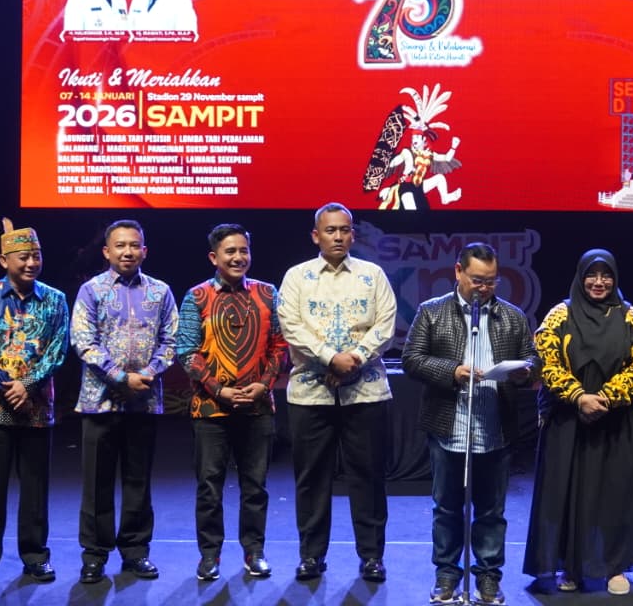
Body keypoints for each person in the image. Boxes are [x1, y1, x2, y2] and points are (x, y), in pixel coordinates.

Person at [402, 242, 538, 605]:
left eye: (491, 281)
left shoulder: (512, 316)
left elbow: (531, 358)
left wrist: (524, 372)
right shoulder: (432, 311)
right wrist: (452, 371)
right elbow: (412, 359)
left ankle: (488, 577)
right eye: (478, 280)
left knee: (492, 512)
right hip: (449, 427)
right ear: (458, 271)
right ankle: (447, 575)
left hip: (495, 428)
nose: (484, 288)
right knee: (446, 508)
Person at [522, 248, 633, 596]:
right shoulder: (560, 315)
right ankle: (570, 565)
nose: (599, 282)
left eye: (606, 275)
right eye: (592, 275)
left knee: (616, 493)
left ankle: (615, 566)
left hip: (619, 421)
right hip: (568, 419)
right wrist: (578, 396)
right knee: (569, 493)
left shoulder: (632, 317)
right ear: (580, 277)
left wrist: (607, 397)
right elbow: (545, 360)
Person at [277, 202, 397, 582]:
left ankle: (372, 557)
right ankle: (311, 556)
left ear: (353, 235)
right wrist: (331, 359)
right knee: (312, 479)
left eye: (345, 230)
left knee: (368, 477)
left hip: (366, 393)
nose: (338, 236)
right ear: (316, 236)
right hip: (310, 394)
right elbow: (291, 326)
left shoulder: (372, 275)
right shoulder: (297, 276)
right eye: (330, 230)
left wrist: (354, 359)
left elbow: (386, 325)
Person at [0, 219, 68, 588]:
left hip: (36, 406)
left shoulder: (55, 299)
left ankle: (36, 557)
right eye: (23, 257)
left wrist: (28, 384)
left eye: (36, 256)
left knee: (35, 488)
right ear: (4, 260)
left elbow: (57, 349)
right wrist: (8, 387)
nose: (31, 263)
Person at [177, 224, 287, 581]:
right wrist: (218, 389)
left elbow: (280, 346)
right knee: (209, 487)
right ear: (214, 257)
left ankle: (254, 552)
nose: (239, 257)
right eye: (230, 251)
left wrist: (264, 385)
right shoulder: (196, 296)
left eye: (244, 250)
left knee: (255, 486)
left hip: (258, 407)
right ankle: (210, 555)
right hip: (210, 409)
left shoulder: (267, 293)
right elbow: (187, 351)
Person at [71, 219, 178, 584]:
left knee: (138, 482)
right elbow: (83, 341)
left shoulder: (160, 291)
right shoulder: (91, 290)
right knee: (96, 484)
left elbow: (171, 341)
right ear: (107, 251)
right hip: (99, 402)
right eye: (120, 245)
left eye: (134, 245)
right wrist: (120, 377)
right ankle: (95, 555)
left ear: (144, 251)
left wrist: (147, 373)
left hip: (143, 402)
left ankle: (135, 552)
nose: (127, 252)